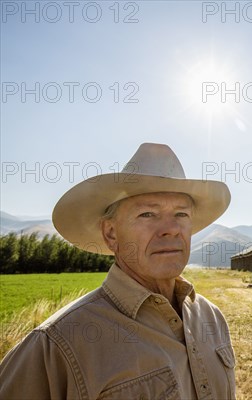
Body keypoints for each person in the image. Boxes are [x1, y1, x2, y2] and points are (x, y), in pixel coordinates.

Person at [0, 143, 236, 399]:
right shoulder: (58, 344)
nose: (171, 228)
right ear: (111, 233)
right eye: (148, 213)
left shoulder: (212, 318)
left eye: (181, 213)